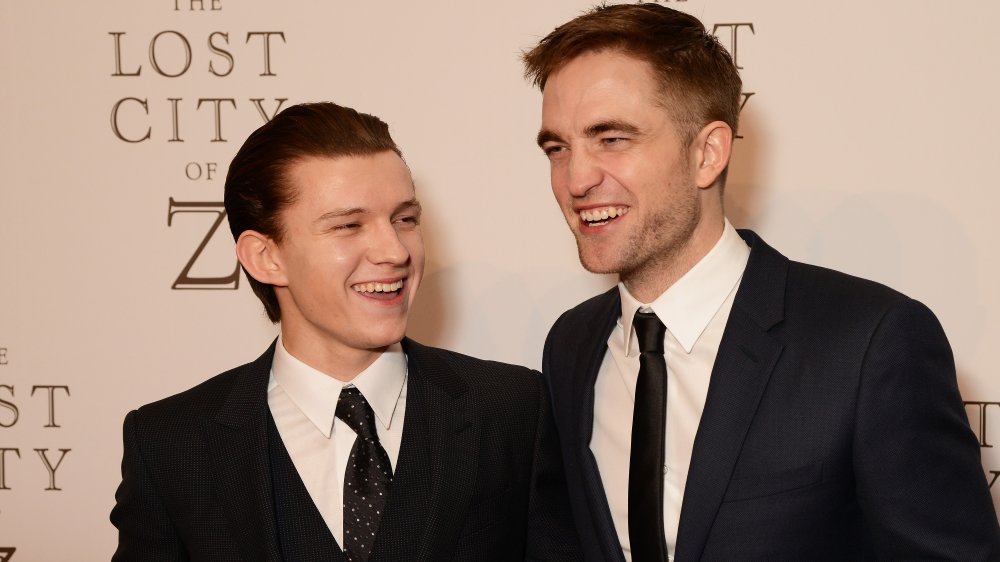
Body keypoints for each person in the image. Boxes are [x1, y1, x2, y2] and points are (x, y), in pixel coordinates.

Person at [522, 4, 1000, 560]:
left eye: (612, 139)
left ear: (708, 153)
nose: (576, 179)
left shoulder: (869, 344)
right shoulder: (571, 347)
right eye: (558, 148)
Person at [110, 102, 579, 561]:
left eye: (405, 219)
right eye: (348, 225)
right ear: (265, 257)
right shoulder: (171, 445)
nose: (394, 251)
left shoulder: (514, 409)